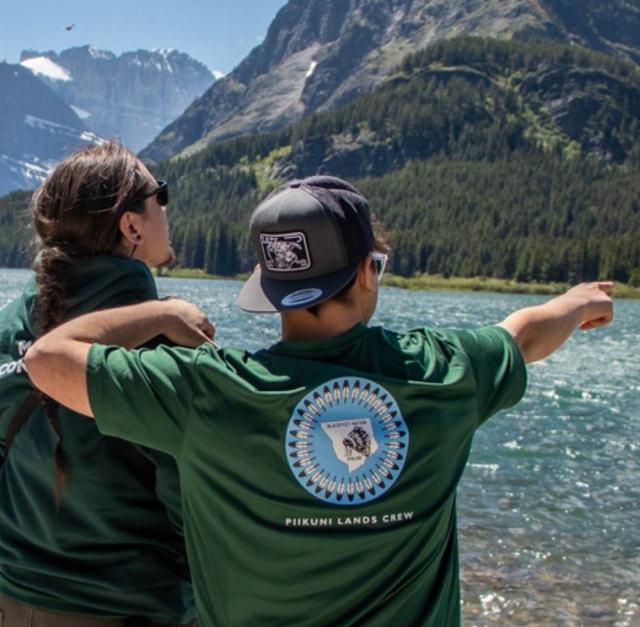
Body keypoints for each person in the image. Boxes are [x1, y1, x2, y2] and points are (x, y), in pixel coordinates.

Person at [24, 176, 614, 626]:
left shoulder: (205, 389)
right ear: (364, 272)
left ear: (269, 288)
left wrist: (160, 312)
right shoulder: (446, 371)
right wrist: (580, 300)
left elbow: (48, 360)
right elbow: (527, 332)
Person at [0, 142, 196, 626]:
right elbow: (195, 505)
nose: (167, 208)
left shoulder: (9, 326)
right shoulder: (169, 347)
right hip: (125, 607)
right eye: (160, 195)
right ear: (131, 226)